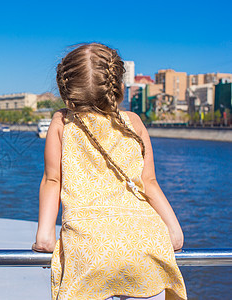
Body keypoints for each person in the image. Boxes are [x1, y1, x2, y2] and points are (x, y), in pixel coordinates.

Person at [32, 43, 187, 300]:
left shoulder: (62, 122)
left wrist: (45, 235)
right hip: (145, 245)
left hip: (89, 249)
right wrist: (174, 230)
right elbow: (149, 182)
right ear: (119, 87)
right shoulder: (133, 122)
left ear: (65, 88)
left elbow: (52, 180)